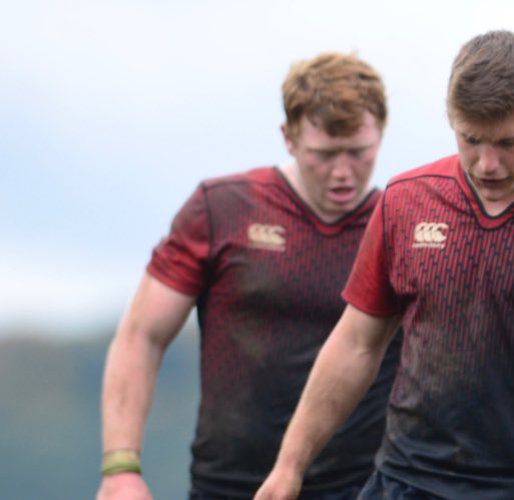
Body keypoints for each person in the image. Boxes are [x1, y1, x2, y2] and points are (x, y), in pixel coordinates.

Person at [254, 31, 514, 499]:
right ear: (452, 120)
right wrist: (289, 466)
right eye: (471, 140)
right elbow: (356, 344)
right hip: (405, 480)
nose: (487, 163)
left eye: (508, 142)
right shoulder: (407, 200)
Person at [96, 51, 397, 500]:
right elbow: (141, 335)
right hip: (231, 486)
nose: (342, 171)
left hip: (363, 489)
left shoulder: (402, 224)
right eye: (325, 154)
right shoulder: (223, 209)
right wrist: (121, 468)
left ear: (381, 133)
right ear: (288, 137)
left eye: (358, 152)